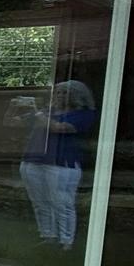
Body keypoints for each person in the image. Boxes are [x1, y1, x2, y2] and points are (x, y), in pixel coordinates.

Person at [12, 80, 97, 249]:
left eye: (64, 93)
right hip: (33, 160)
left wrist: (36, 111)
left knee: (62, 203)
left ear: (76, 96)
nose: (59, 96)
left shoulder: (84, 114)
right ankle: (48, 236)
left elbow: (59, 128)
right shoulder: (46, 112)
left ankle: (66, 242)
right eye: (57, 92)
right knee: (39, 202)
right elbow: (11, 122)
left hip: (62, 164)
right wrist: (14, 106)